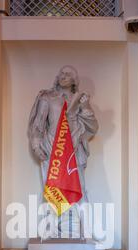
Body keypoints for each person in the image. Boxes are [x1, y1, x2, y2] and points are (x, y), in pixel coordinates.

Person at [28, 65, 98, 238]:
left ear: (75, 80)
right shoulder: (47, 97)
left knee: (79, 189)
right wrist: (36, 144)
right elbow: (38, 123)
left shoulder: (79, 99)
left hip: (74, 151)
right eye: (61, 73)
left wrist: (86, 106)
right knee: (52, 189)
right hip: (53, 149)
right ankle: (51, 232)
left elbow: (93, 127)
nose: (63, 76)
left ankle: (85, 231)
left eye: (68, 74)